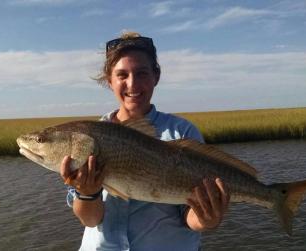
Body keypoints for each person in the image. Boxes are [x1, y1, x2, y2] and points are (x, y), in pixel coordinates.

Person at [60, 31, 230, 251]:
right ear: (109, 80)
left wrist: (207, 219)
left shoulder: (182, 132)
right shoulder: (89, 138)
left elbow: (189, 217)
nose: (133, 84)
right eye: (122, 75)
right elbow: (90, 220)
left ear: (155, 76)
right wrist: (87, 193)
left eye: (142, 73)